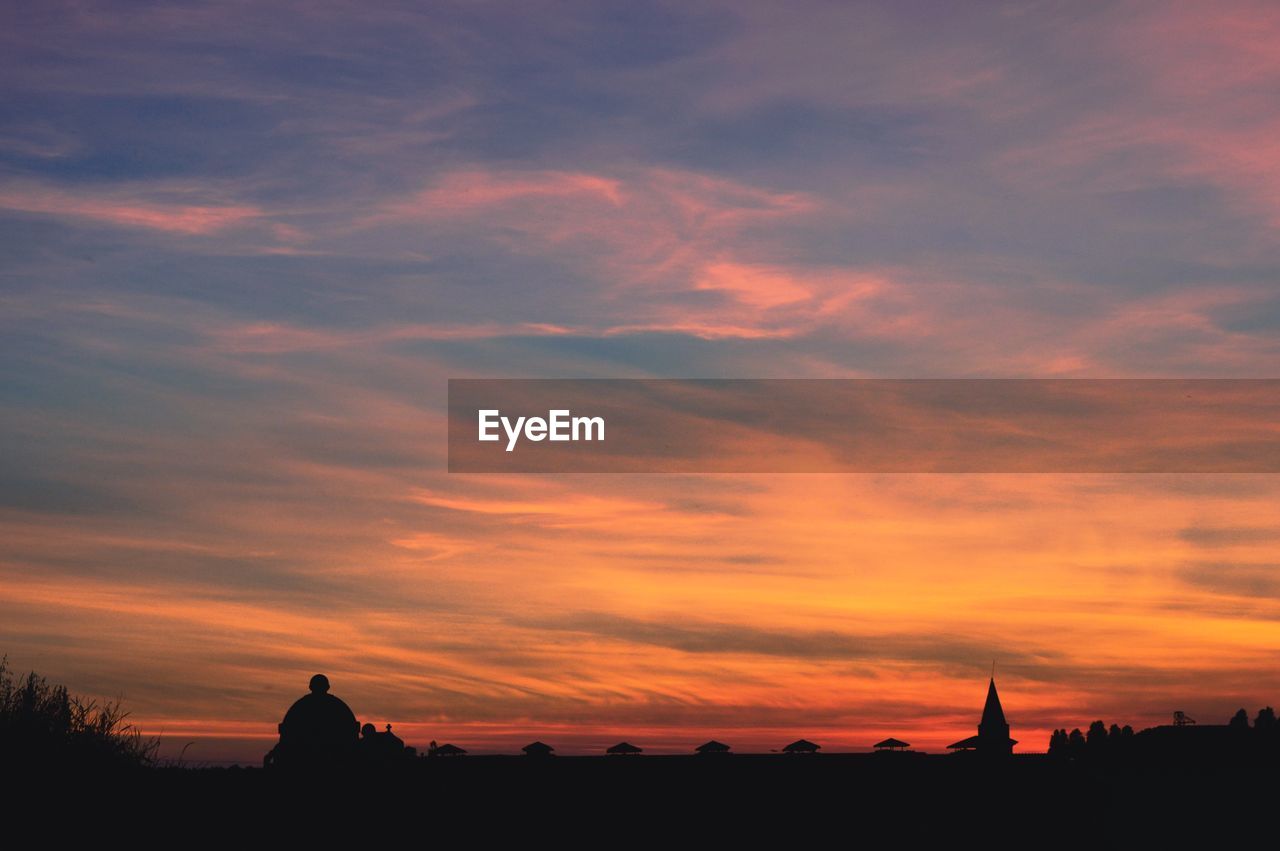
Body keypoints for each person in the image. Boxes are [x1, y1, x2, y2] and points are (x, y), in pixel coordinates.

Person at [269, 674, 359, 769]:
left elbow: (286, 742)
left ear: (310, 687)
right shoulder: (339, 709)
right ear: (327, 687)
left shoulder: (300, 708)